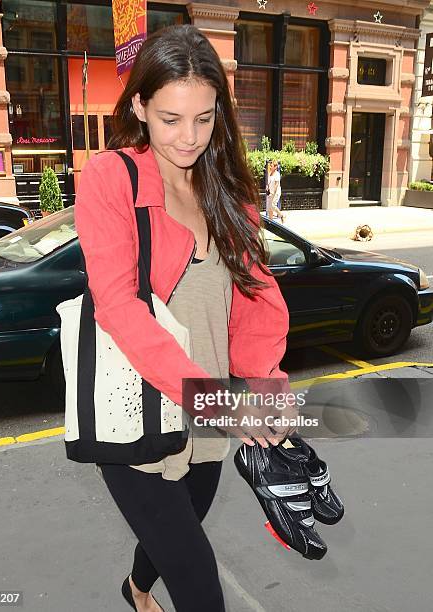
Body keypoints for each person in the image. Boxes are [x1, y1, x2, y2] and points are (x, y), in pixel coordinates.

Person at [75, 24, 293, 612]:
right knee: (199, 584)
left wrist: (265, 396)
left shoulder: (227, 188)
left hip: (208, 415)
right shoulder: (108, 179)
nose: (189, 137)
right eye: (171, 118)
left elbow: (253, 299)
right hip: (136, 413)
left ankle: (136, 588)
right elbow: (118, 304)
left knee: (177, 532)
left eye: (204, 117)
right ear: (140, 105)